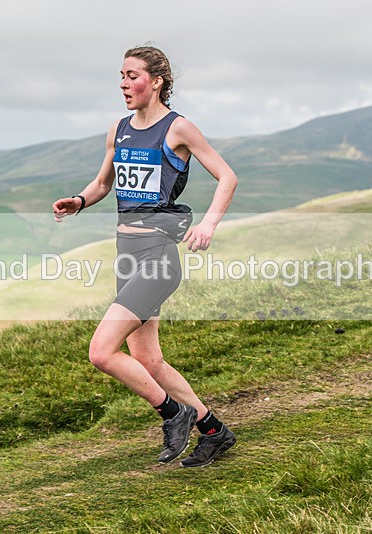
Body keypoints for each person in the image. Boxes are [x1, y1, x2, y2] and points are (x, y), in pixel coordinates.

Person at [52, 45, 238, 467]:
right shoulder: (118, 129)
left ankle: (174, 413)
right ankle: (214, 432)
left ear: (156, 81)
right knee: (148, 359)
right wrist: (79, 201)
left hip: (158, 256)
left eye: (132, 75)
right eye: (121, 75)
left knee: (101, 352)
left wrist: (208, 224)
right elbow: (103, 183)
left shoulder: (179, 128)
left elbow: (227, 176)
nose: (123, 84)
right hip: (126, 254)